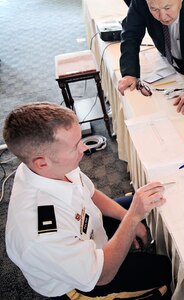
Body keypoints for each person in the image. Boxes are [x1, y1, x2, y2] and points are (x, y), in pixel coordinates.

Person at [3, 102, 172, 299]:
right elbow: (101, 276)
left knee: (152, 205)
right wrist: (132, 219)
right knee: (164, 268)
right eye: (75, 146)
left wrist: (126, 216)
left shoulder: (47, 166)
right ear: (42, 162)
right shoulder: (39, 234)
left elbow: (89, 193)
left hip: (88, 228)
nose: (84, 147)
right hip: (81, 284)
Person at [118, 0, 184, 115]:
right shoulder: (141, 2)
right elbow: (131, 34)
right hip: (171, 62)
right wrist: (129, 73)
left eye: (167, 8)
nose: (162, 16)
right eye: (154, 9)